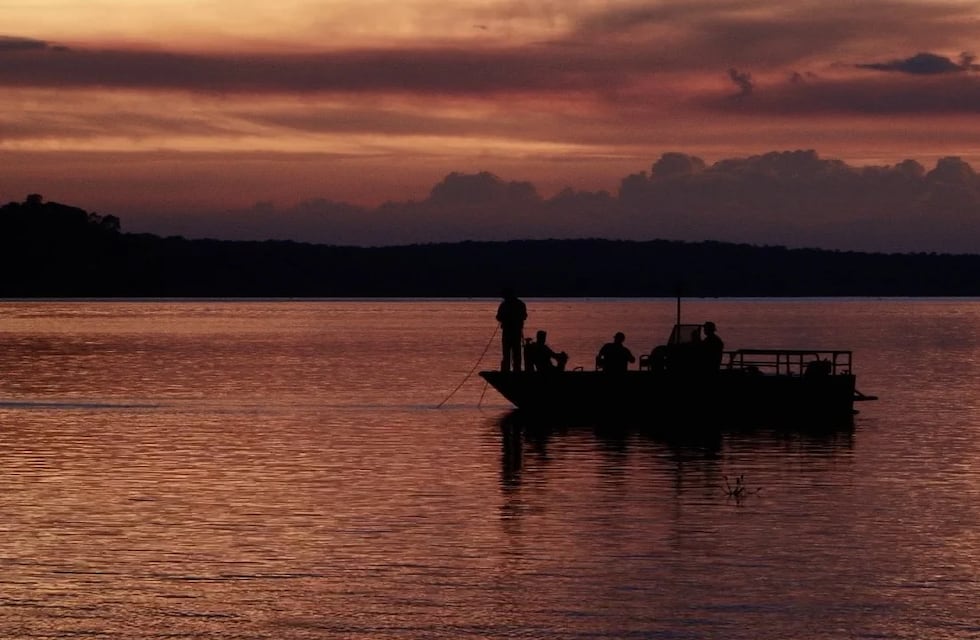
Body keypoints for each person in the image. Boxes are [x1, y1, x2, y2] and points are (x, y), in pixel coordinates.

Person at [496, 287, 528, 372]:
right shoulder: (520, 304)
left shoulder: (504, 305)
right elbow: (524, 316)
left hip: (510, 332)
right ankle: (515, 369)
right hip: (514, 332)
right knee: (514, 352)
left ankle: (510, 370)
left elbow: (498, 317)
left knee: (510, 352)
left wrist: (506, 318)